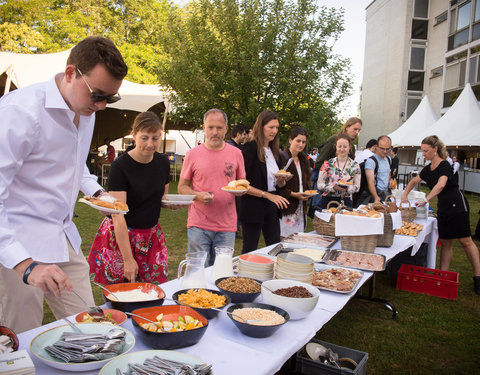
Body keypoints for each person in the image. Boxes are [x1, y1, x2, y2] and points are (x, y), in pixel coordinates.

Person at [0, 36, 128, 333]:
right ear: (70, 73)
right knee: (22, 337)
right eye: (97, 95)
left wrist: (97, 193)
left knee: (89, 326)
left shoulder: (86, 110)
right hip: (17, 242)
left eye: (111, 98)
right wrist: (25, 265)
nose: (103, 105)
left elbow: (73, 162)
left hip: (61, 235)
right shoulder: (19, 112)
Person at [88, 112, 177, 285]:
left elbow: (160, 198)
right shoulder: (120, 166)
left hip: (150, 236)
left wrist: (172, 204)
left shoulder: (163, 163)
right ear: (134, 135)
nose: (150, 144)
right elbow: (117, 214)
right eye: (144, 138)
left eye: (155, 138)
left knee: (151, 293)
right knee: (120, 296)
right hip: (121, 235)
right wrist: (128, 259)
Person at [402, 135, 480, 295]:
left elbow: (441, 184)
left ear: (435, 149)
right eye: (422, 151)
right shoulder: (427, 169)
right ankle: (442, 276)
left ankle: (478, 277)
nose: (423, 154)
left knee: (466, 241)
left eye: (426, 151)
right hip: (444, 207)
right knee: (445, 242)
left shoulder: (444, 165)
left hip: (457, 205)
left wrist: (427, 198)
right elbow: (413, 181)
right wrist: (405, 194)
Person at [178, 109, 246, 266]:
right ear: (204, 127)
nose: (215, 132)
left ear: (226, 129)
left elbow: (242, 183)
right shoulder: (192, 154)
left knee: (221, 274)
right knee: (198, 270)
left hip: (227, 225)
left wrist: (240, 191)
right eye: (211, 127)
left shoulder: (236, 153)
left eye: (219, 128)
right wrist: (197, 195)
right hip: (198, 224)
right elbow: (182, 187)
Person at [240, 110, 290, 253]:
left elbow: (278, 185)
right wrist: (267, 195)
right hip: (253, 205)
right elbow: (243, 184)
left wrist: (282, 181)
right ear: (261, 127)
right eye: (271, 127)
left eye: (277, 128)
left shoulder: (275, 152)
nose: (274, 131)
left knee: (275, 247)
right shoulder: (250, 148)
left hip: (272, 205)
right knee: (250, 248)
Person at [309, 117, 362, 216]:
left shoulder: (352, 150)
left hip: (345, 197)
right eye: (355, 129)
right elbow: (319, 162)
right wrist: (333, 173)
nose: (357, 132)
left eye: (359, 130)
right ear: (347, 127)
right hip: (327, 191)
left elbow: (352, 173)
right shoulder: (334, 140)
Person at [278, 127, 312, 237]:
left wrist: (308, 192)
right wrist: (294, 194)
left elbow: (305, 182)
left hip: (301, 207)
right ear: (290, 140)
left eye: (303, 142)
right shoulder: (282, 158)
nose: (301, 145)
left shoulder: (304, 160)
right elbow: (277, 187)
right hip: (287, 206)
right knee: (284, 240)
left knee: (298, 239)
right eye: (298, 141)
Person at [316, 134, 361, 209]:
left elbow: (357, 187)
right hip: (328, 201)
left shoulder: (355, 166)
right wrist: (332, 188)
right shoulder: (327, 164)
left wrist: (348, 188)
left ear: (349, 147)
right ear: (336, 147)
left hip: (346, 201)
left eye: (345, 147)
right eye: (339, 146)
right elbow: (319, 185)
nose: (342, 149)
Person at [357, 135, 394, 205]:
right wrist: (376, 197)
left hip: (385, 195)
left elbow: (388, 174)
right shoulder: (371, 161)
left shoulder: (388, 159)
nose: (385, 151)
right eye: (382, 149)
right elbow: (370, 182)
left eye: (387, 149)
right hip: (374, 197)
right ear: (376, 147)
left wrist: (390, 180)